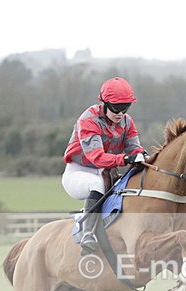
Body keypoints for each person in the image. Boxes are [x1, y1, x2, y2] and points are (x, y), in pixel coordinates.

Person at [62, 77, 146, 254]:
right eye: (116, 108)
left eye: (126, 108)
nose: (121, 113)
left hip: (108, 172)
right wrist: (125, 159)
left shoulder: (127, 121)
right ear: (104, 103)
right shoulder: (89, 120)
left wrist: (143, 156)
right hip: (79, 172)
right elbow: (97, 158)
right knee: (97, 184)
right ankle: (87, 234)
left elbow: (135, 148)